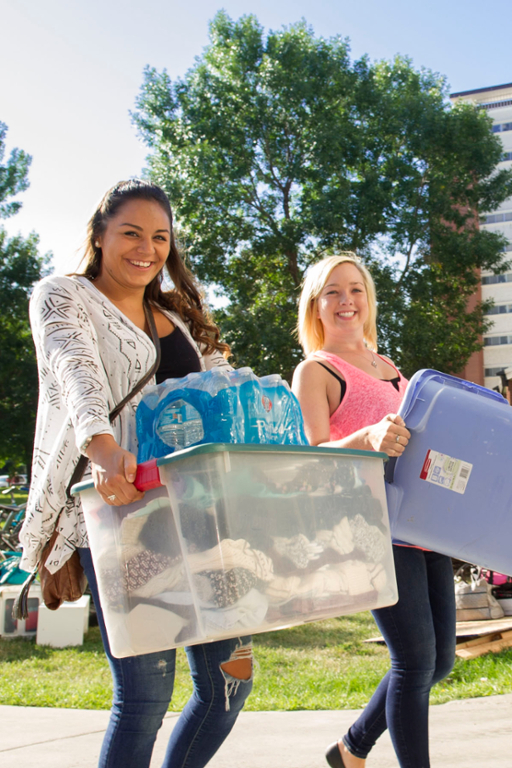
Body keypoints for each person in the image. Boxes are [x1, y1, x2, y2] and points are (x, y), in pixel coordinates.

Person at [20, 179, 253, 768]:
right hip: (121, 510)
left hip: (204, 515)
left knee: (230, 683)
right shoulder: (63, 295)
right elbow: (79, 375)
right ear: (99, 235)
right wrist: (103, 453)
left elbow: (223, 393)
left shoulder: (179, 315)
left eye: (159, 237)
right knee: (146, 697)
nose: (145, 248)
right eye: (130, 232)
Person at [292, 254, 455, 768]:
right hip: (371, 526)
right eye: (332, 292)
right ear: (315, 306)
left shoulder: (391, 367)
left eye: (356, 290)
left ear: (369, 299)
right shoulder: (315, 370)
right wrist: (364, 437)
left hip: (425, 526)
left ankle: (350, 749)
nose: (346, 301)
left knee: (441, 661)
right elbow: (312, 457)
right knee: (413, 661)